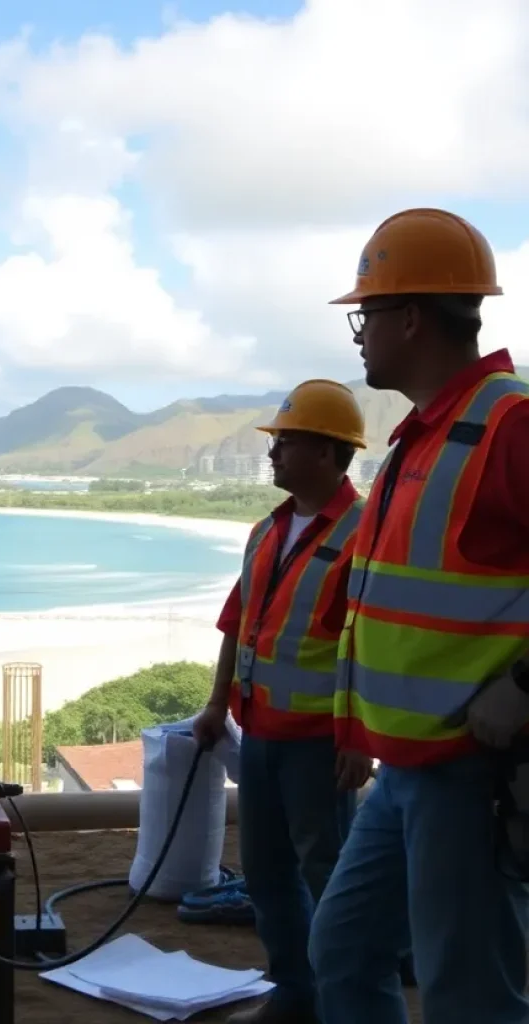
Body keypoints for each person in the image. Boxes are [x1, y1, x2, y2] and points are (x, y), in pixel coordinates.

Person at [308, 207, 529, 1024]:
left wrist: (525, 686)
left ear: (409, 317)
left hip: (472, 774)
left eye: (365, 317)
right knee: (342, 951)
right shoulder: (422, 436)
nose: (359, 337)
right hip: (404, 767)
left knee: (469, 994)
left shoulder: (510, 426)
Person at [194, 379, 374, 1024]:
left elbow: (373, 646)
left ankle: (343, 1001)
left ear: (326, 451)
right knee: (267, 874)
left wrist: (359, 737)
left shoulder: (365, 534)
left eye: (285, 441)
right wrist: (216, 704)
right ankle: (295, 996)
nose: (272, 453)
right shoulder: (266, 530)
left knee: (329, 877)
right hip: (260, 734)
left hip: (319, 742)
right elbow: (237, 623)